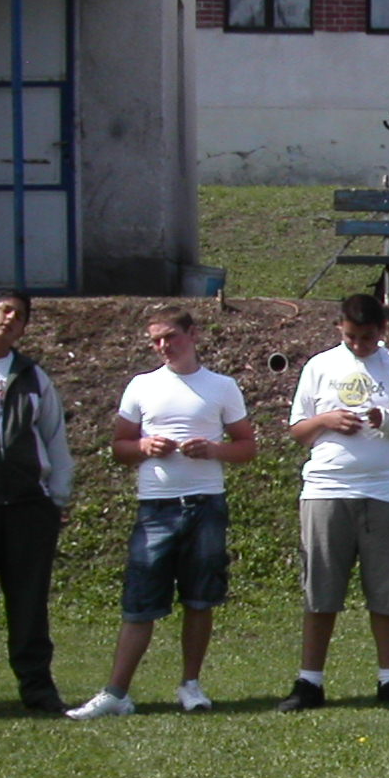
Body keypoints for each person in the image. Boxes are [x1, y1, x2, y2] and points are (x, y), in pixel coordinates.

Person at [68, 306, 256, 719]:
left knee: (200, 599)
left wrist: (213, 449)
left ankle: (191, 685)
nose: (163, 346)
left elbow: (246, 447)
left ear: (192, 334)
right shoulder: (142, 386)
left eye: (170, 336)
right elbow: (120, 447)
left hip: (206, 504)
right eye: (156, 340)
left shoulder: (221, 386)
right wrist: (144, 447)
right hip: (155, 506)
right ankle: (117, 692)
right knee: (140, 601)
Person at [279, 293, 389, 710]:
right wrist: (327, 420)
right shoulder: (319, 366)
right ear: (339, 329)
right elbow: (298, 431)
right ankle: (309, 682)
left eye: (367, 338)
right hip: (327, 490)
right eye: (350, 337)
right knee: (321, 590)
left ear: (382, 331)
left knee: (388, 591)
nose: (359, 346)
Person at [0, 290, 73, 715]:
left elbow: (54, 439)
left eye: (20, 316)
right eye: (4, 310)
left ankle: (38, 689)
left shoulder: (33, 377)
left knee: (29, 602)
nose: (11, 319)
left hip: (28, 506)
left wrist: (56, 497)